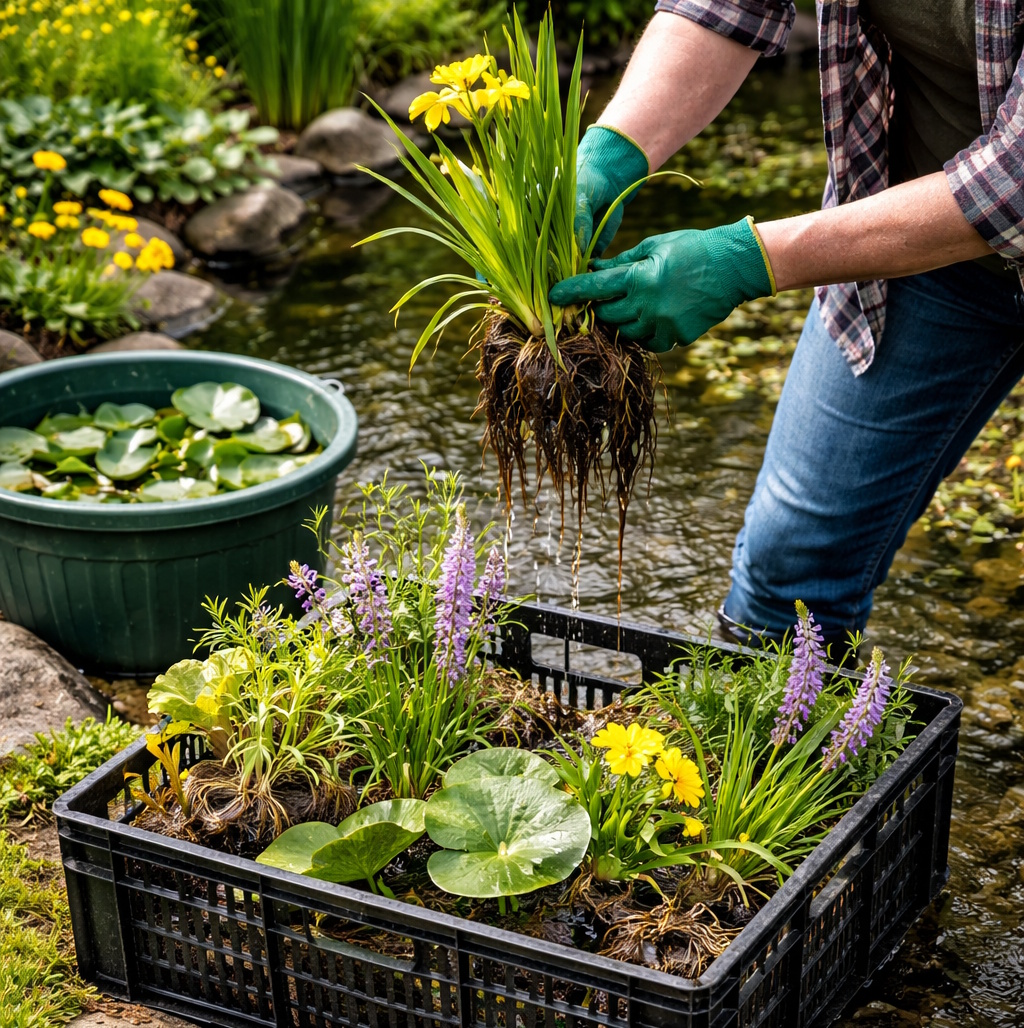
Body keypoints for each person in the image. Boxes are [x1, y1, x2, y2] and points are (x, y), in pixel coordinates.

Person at [550, 1, 1024, 649]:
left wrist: (749, 260)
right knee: (790, 568)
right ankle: (780, 743)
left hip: (997, 196)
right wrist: (612, 149)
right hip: (920, 234)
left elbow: (1016, 181)